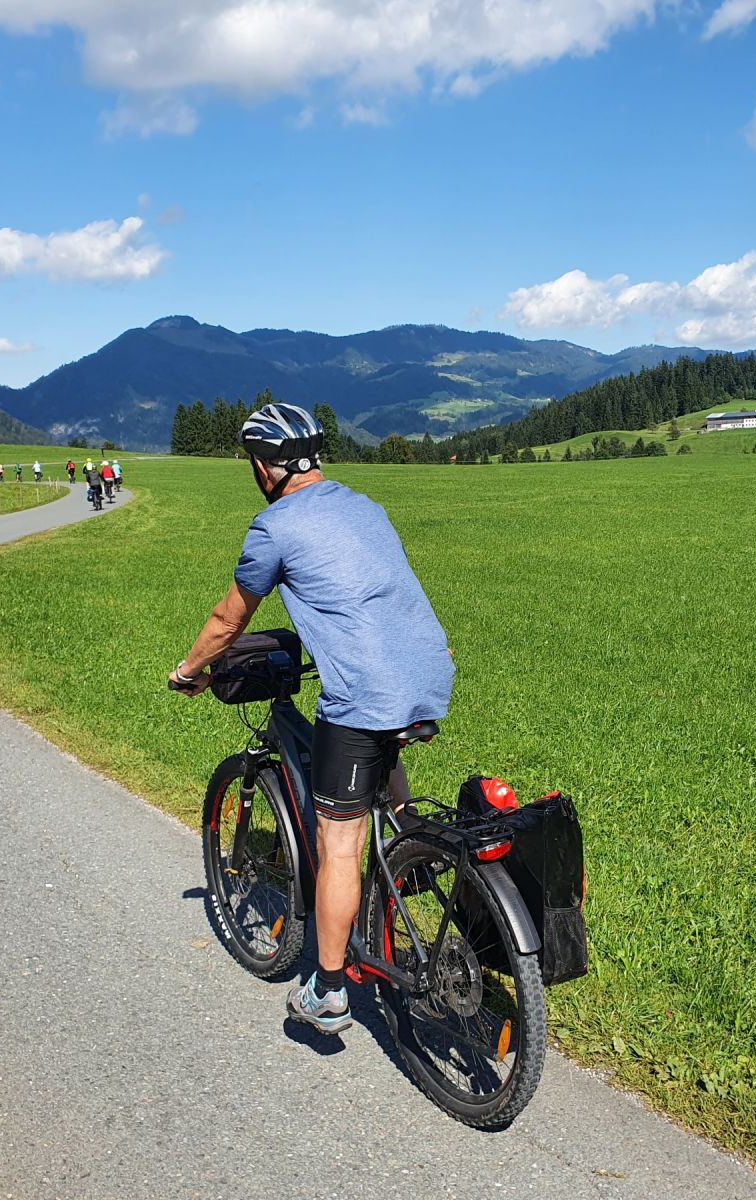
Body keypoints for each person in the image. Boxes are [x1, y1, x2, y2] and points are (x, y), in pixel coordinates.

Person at [168, 403, 454, 1035]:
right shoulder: (364, 506)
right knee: (380, 765)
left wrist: (189, 672)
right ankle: (409, 847)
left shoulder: (274, 527)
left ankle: (327, 991)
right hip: (427, 670)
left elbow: (229, 618)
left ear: (264, 467)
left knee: (339, 843)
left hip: (365, 693)